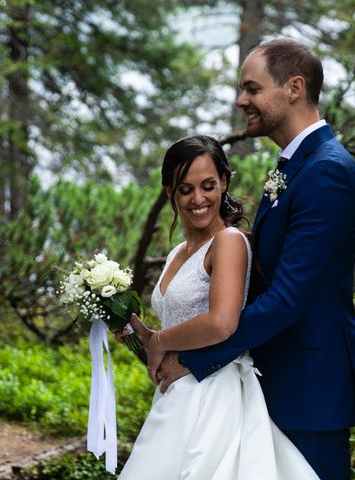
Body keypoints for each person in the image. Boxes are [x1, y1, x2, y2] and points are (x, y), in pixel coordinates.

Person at [151, 39, 355, 480]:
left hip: (308, 388)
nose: (240, 100)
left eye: (252, 88)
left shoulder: (327, 172)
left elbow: (288, 298)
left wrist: (194, 359)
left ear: (294, 88)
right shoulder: (292, 167)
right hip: (267, 379)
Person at [117, 135, 319, 479]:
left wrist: (161, 341)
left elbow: (222, 322)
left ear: (224, 182)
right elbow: (181, 323)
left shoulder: (228, 241)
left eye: (208, 186)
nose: (199, 199)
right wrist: (144, 335)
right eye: (185, 189)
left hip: (212, 393)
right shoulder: (176, 253)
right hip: (177, 394)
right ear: (170, 192)